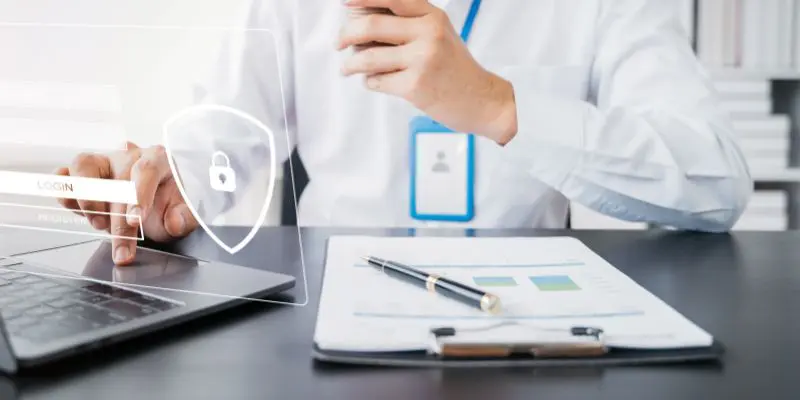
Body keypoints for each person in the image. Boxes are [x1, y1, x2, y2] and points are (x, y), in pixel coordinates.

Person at [55, 0, 753, 265]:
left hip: (531, 320)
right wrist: (166, 179)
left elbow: (716, 180)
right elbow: (218, 141)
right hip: (324, 323)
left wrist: (499, 105)